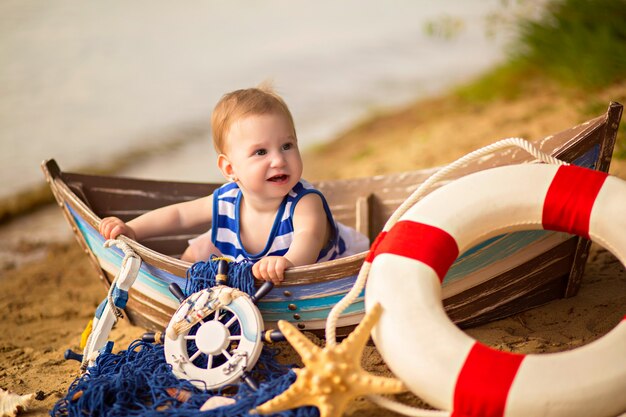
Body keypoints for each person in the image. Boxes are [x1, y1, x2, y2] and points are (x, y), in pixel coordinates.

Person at [99, 85, 368, 284]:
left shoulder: (304, 202)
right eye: (261, 152)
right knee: (196, 251)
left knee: (213, 245)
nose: (278, 160)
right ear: (230, 169)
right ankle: (183, 288)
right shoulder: (227, 200)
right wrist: (132, 229)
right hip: (250, 265)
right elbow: (179, 215)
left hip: (313, 272)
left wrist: (288, 262)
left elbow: (307, 239)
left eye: (287, 146)